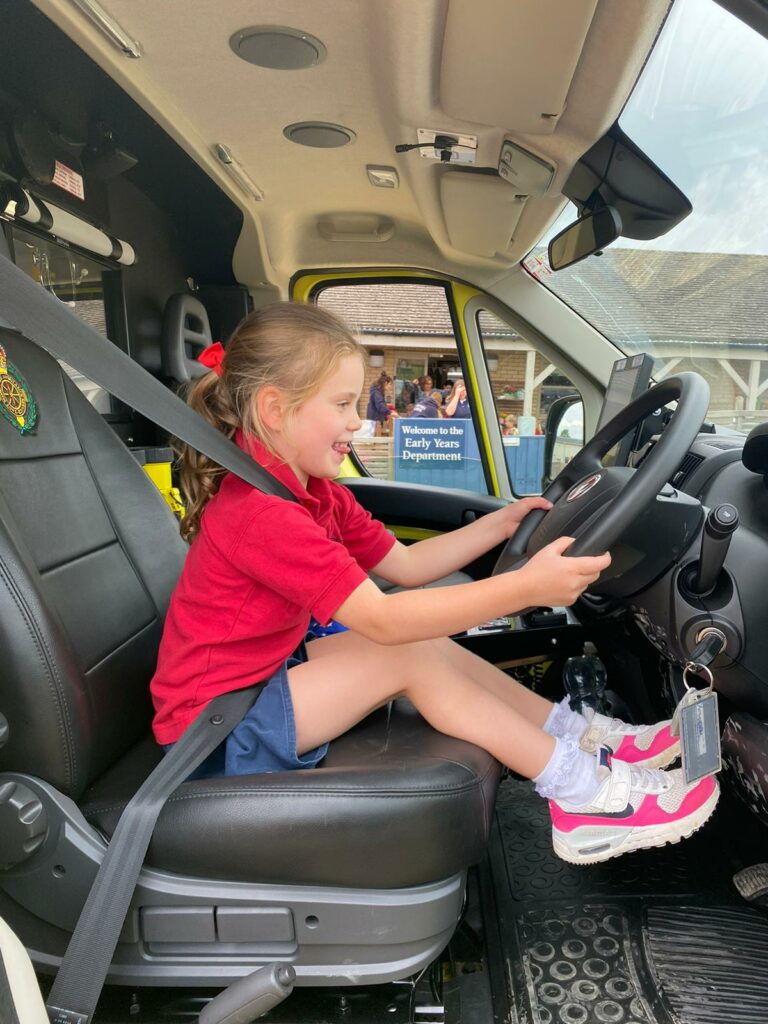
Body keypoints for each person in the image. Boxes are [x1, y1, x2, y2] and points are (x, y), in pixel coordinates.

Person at [151, 302, 718, 866]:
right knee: (406, 654)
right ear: (275, 409)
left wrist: (503, 523)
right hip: (215, 734)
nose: (359, 421)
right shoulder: (262, 513)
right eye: (343, 404)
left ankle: (582, 735)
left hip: (257, 688)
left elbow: (405, 564)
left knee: (421, 645)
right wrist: (524, 590)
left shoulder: (315, 492)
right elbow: (382, 618)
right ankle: (583, 796)